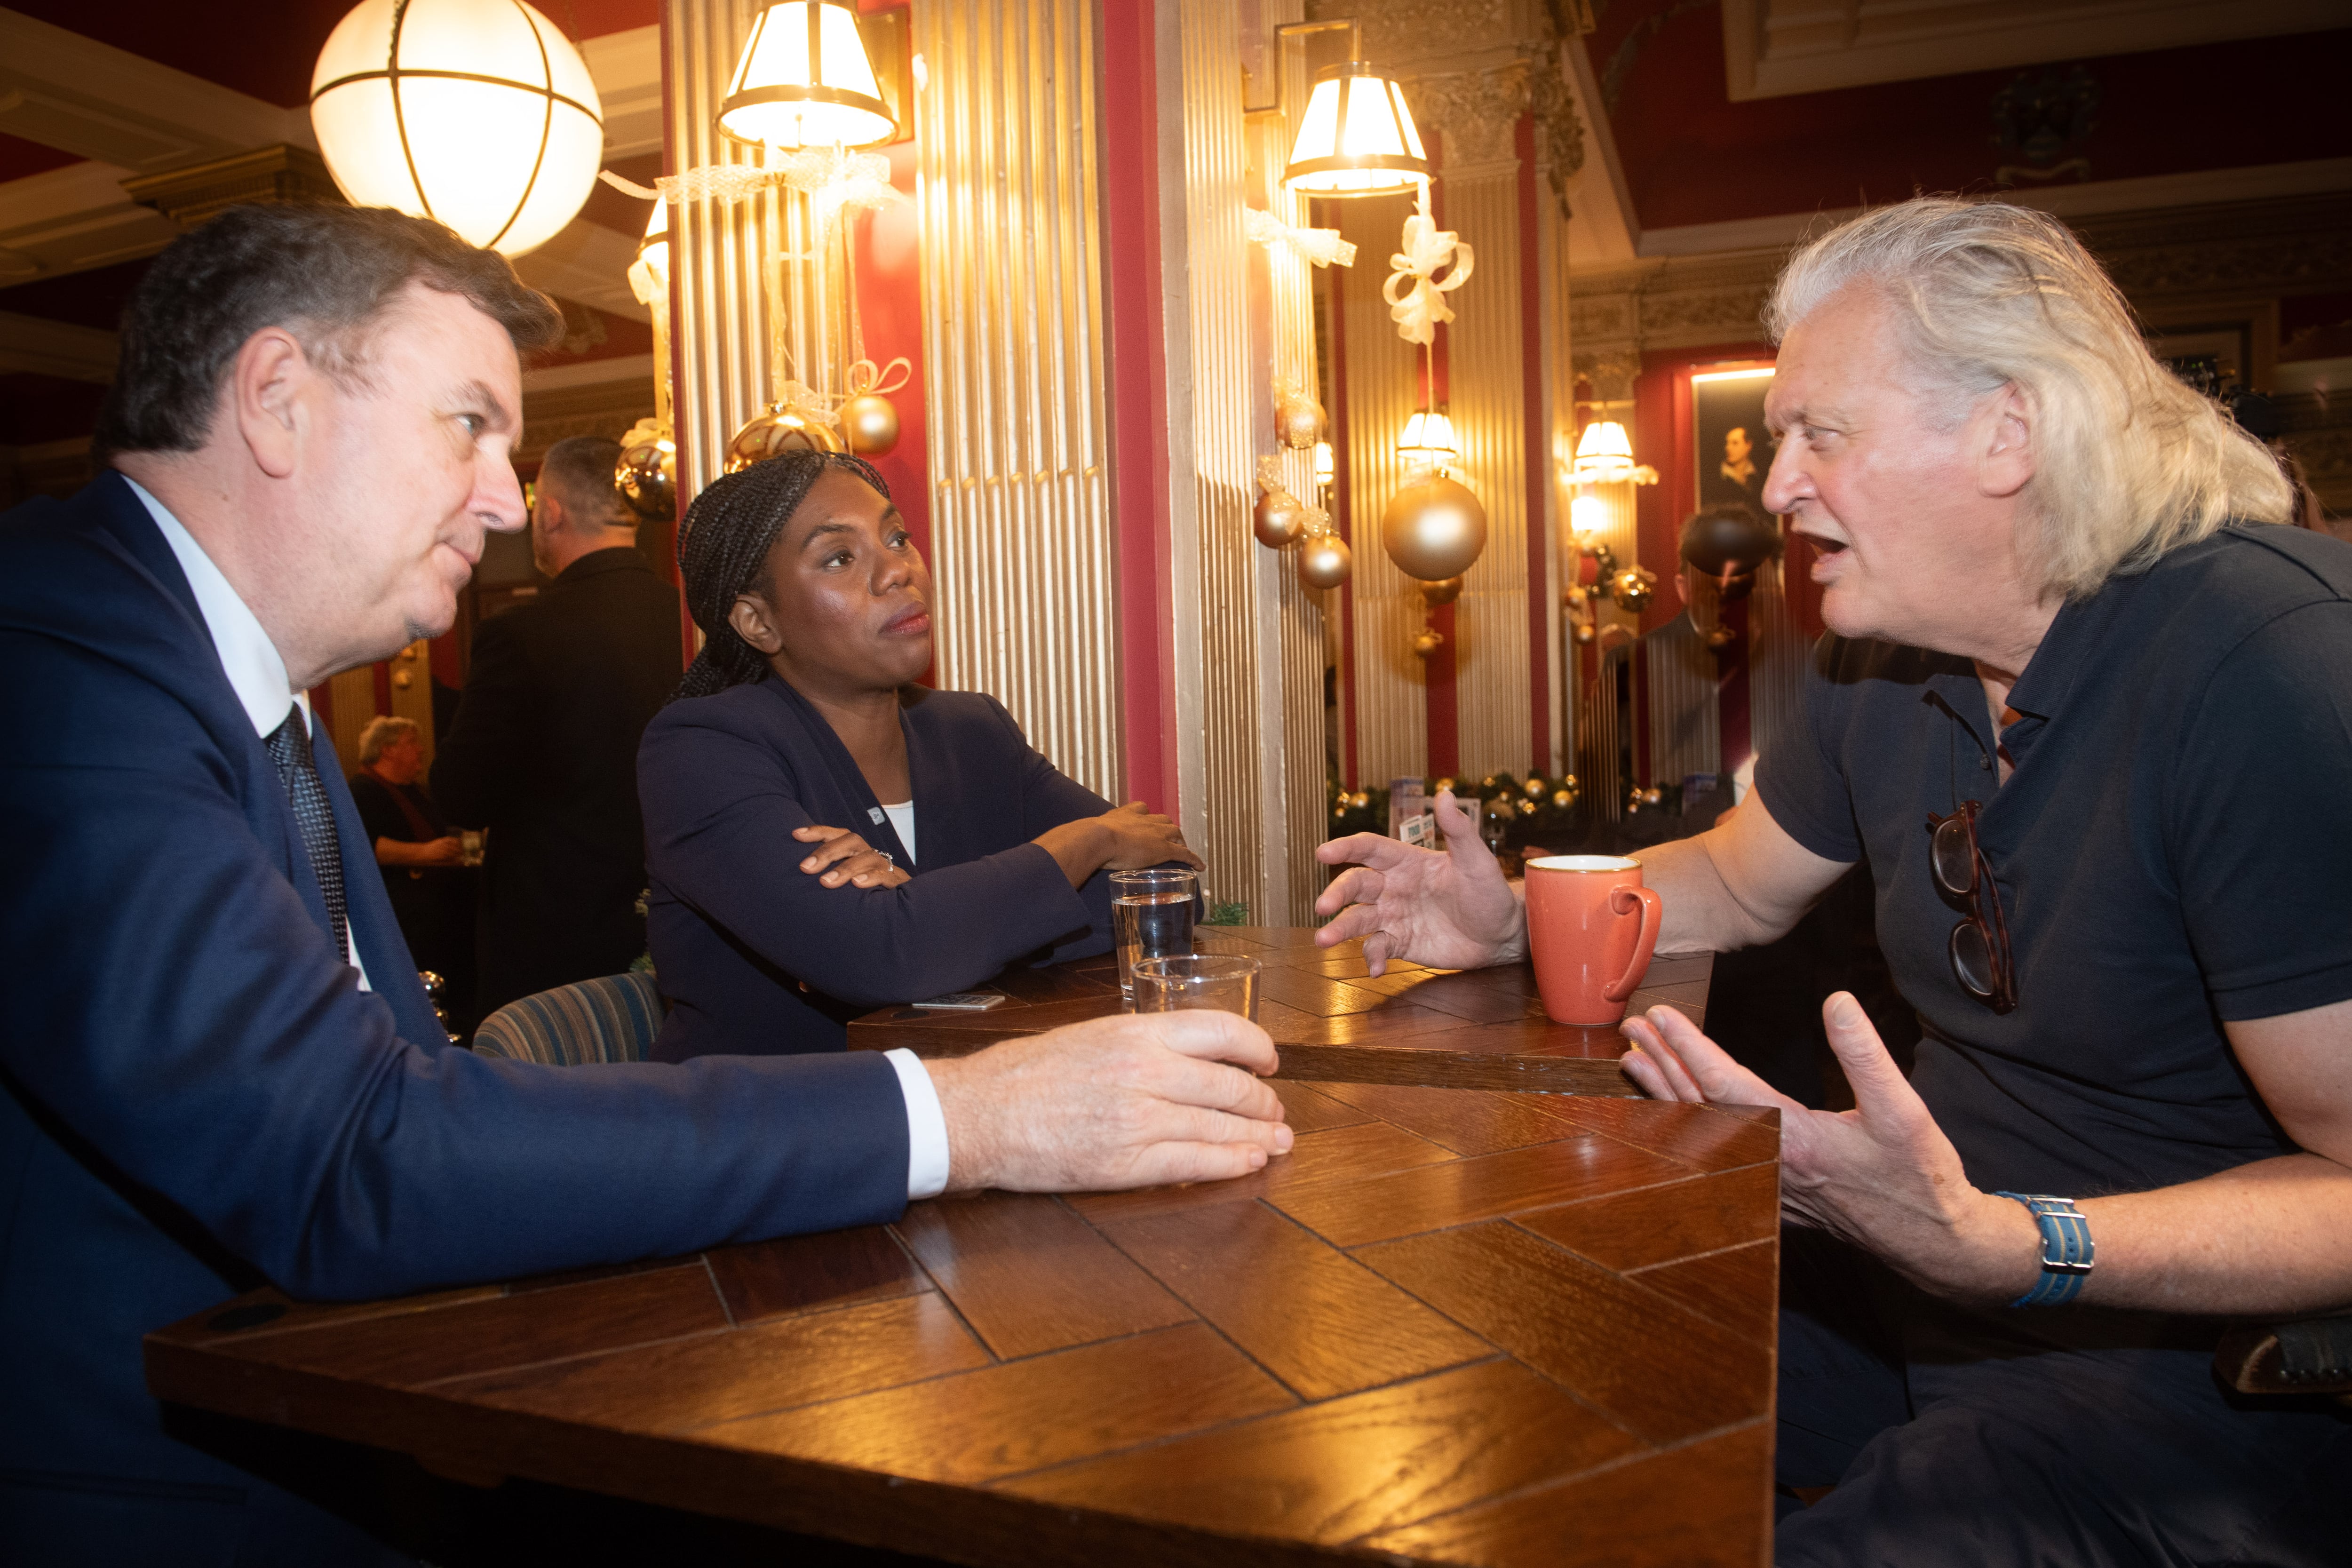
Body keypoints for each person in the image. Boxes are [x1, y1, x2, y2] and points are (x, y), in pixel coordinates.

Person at [0, 202, 1291, 1566]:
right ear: (275, 398)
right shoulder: (55, 662)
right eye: (468, 424)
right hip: (161, 1492)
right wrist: (965, 1116)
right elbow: (351, 1154)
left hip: (346, 1414)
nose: (508, 500)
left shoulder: (233, 683)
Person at [1314, 198, 2352, 1565]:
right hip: (1912, 1276)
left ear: (2007, 432)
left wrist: (2008, 1244)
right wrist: (1509, 915)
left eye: (1821, 434)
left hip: (2183, 1369)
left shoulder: (2261, 667)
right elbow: (1737, 887)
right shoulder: (1873, 654)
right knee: (1493, 1372)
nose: (1776, 484)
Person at [640, 451, 1200, 1061]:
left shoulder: (972, 732)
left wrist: (925, 915)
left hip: (967, 1117)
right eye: (839, 558)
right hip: (775, 1133)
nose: (898, 572)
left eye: (897, 538)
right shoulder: (702, 751)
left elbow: (1164, 895)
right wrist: (1085, 843)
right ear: (758, 621)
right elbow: (884, 958)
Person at [430, 434, 681, 1023]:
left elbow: (460, 796)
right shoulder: (691, 622)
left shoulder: (523, 636)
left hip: (553, 947)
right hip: (680, 929)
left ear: (552, 512)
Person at [346, 713, 476, 1027]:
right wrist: (425, 852)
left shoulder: (415, 791)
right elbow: (365, 846)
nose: (420, 750)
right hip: (403, 910)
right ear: (388, 750)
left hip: (439, 907)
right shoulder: (363, 789)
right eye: (411, 743)